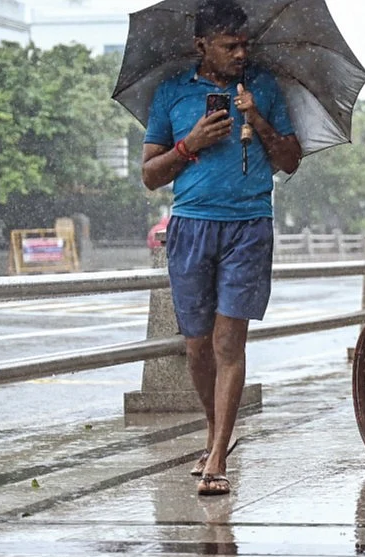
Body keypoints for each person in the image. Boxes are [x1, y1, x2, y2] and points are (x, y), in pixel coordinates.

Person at [141, 0, 302, 496]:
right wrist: (190, 143)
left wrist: (261, 118)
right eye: (230, 45)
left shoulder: (263, 89)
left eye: (244, 44)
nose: (240, 53)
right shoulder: (171, 94)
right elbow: (150, 176)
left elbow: (290, 161)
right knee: (197, 346)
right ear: (202, 45)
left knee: (229, 343)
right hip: (191, 226)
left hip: (249, 226)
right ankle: (217, 432)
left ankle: (215, 457)